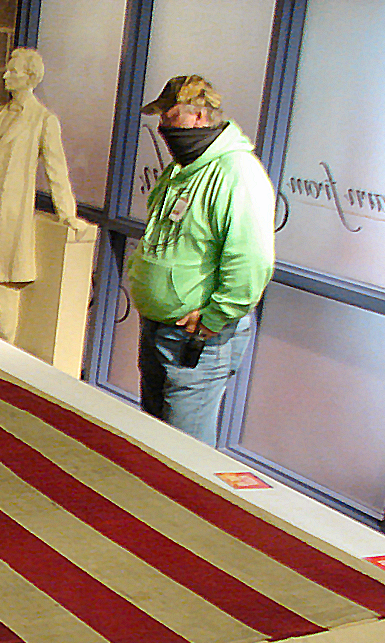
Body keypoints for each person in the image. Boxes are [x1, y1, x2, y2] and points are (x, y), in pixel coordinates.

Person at [127, 75, 275, 444]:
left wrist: (215, 316)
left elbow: (251, 260)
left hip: (195, 339)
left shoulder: (236, 173)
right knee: (154, 443)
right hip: (160, 328)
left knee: (182, 452)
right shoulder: (183, 169)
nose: (163, 126)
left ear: (198, 116)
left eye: (171, 116)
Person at [0, 48, 88, 342]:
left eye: (13, 71)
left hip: (9, 215)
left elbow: (57, 170)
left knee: (3, 286)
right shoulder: (0, 114)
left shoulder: (43, 119)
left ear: (30, 78)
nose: (5, 75)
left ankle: (1, 357)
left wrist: (67, 213)